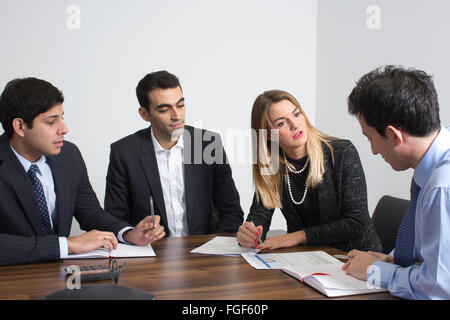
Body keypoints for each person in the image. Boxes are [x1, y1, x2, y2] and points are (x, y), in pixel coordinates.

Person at [0, 77, 165, 266]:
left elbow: (90, 213)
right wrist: (67, 245)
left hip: (60, 275)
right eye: (51, 121)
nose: (64, 129)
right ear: (20, 126)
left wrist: (128, 233)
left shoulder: (68, 154)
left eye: (62, 117)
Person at [343, 65, 450, 299]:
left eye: (370, 138)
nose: (372, 150)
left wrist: (376, 272)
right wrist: (392, 260)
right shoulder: (434, 163)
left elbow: (439, 288)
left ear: (393, 135)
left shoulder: (442, 186)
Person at [236, 90, 381, 252]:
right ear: (269, 135)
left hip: (355, 257)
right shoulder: (272, 163)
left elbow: (356, 223)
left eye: (297, 114)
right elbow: (260, 214)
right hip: (307, 259)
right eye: (281, 123)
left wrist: (298, 236)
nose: (295, 125)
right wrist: (250, 233)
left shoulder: (342, 152)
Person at [104, 71, 243, 236]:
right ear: (144, 114)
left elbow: (232, 212)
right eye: (164, 109)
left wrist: (213, 247)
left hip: (204, 251)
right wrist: (132, 234)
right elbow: (115, 218)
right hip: (152, 253)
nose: (177, 116)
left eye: (180, 105)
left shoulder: (208, 144)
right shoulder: (124, 153)